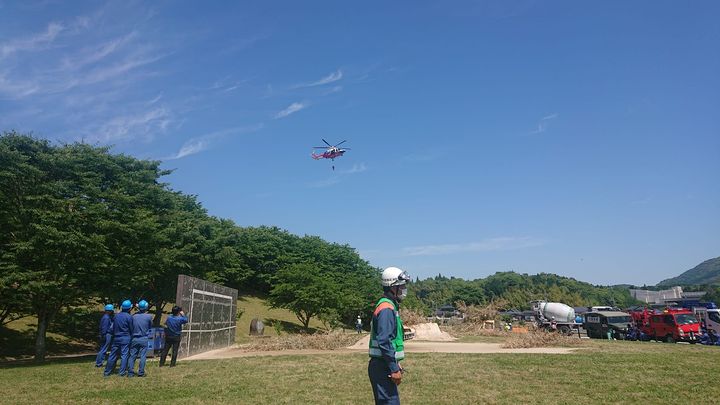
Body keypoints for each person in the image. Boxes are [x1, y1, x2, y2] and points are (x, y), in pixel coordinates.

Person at [368, 266, 411, 405]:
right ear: (393, 287)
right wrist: (393, 368)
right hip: (382, 367)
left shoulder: (390, 306)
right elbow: (384, 340)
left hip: (384, 364)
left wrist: (395, 362)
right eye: (402, 286)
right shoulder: (386, 308)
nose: (404, 289)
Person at [104, 300, 134, 377]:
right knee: (124, 355)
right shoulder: (129, 317)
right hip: (125, 337)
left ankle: (107, 372)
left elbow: (113, 327)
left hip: (116, 337)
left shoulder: (116, 316)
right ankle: (122, 372)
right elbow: (131, 328)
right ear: (129, 308)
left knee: (112, 355)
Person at [127, 300, 153, 377]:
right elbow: (150, 326)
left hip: (134, 338)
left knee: (132, 356)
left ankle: (130, 372)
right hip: (144, 338)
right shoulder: (149, 316)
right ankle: (141, 372)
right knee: (143, 356)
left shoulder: (133, 316)